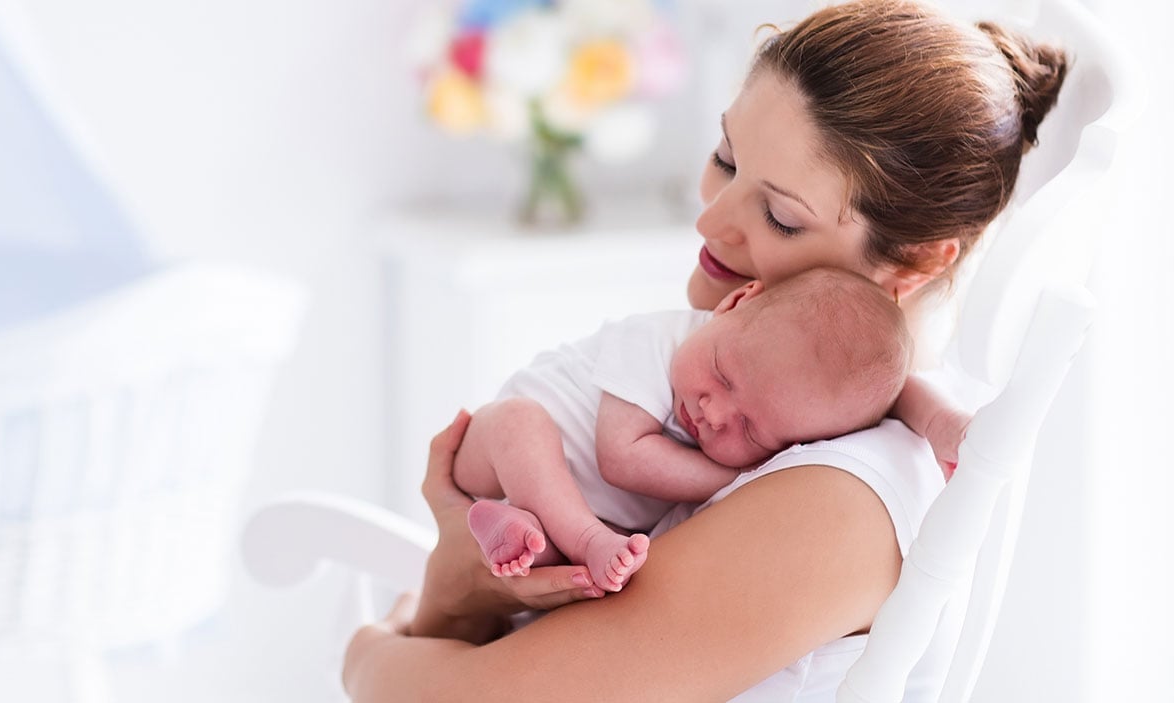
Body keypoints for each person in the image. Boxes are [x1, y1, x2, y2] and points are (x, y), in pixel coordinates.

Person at [344, 0, 1067, 699]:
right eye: (726, 157)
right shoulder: (758, 406)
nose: (711, 216)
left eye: (782, 217)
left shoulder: (839, 498)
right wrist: (455, 582)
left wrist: (365, 655)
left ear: (912, 261)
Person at [456, 268, 915, 592]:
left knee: (615, 554)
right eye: (723, 375)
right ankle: (573, 537)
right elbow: (621, 457)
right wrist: (743, 474)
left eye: (751, 429)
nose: (714, 413)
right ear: (734, 304)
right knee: (519, 420)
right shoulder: (655, 339)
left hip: (570, 520)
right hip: (494, 457)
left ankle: (525, 539)